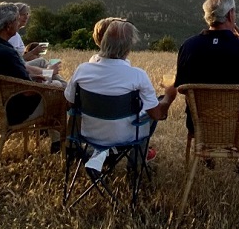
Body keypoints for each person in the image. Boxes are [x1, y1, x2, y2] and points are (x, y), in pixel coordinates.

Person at [173, 0, 239, 135]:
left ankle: (204, 153)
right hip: (237, 127)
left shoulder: (188, 47)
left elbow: (180, 85)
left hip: (197, 126)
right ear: (230, 15)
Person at [65, 19, 174, 150]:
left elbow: (69, 103)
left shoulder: (82, 70)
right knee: (153, 105)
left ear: (103, 42)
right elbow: (157, 114)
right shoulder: (138, 75)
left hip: (87, 134)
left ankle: (91, 154)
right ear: (127, 48)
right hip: (125, 137)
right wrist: (169, 96)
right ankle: (135, 162)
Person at [0, 2, 65, 133]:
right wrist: (48, 79)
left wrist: (44, 74)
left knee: (54, 80)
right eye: (17, 20)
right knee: (59, 88)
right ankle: (64, 142)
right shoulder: (5, 52)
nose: (19, 23)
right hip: (13, 112)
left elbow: (12, 73)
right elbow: (28, 91)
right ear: (8, 26)